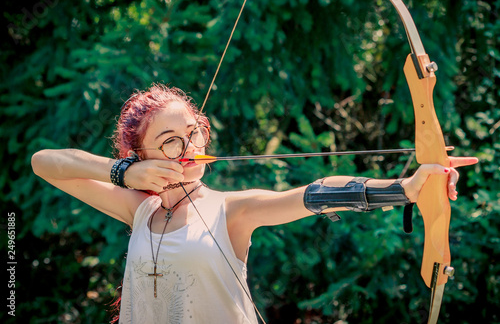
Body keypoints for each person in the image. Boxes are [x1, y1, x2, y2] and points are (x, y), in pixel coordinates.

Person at [31, 83, 478, 324]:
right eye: (169, 142)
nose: (189, 146)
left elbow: (312, 194)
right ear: (140, 156)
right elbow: (44, 163)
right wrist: (121, 173)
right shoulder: (139, 209)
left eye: (193, 131)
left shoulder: (231, 209)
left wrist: (405, 189)